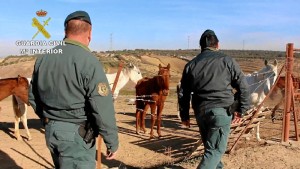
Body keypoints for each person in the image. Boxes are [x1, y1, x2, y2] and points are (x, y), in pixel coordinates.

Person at [28, 10, 119, 169]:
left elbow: (32, 96)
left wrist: (48, 119)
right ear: (90, 34)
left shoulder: (44, 58)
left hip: (51, 131)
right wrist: (112, 141)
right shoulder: (89, 61)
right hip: (76, 136)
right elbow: (101, 107)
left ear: (65, 32)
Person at [178, 29, 250, 169]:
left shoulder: (190, 65)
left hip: (201, 113)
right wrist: (242, 110)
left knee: (211, 150)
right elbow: (244, 87)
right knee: (215, 150)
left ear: (201, 47)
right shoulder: (227, 61)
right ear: (218, 45)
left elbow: (183, 93)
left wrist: (184, 116)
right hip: (220, 112)